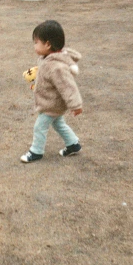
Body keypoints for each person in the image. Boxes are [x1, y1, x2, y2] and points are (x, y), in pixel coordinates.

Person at [20, 20, 83, 163]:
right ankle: (73, 144)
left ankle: (36, 151)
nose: (34, 46)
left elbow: (68, 86)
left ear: (47, 44)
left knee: (39, 126)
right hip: (50, 102)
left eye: (36, 42)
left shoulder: (57, 67)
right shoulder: (46, 59)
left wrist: (76, 105)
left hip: (52, 104)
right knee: (58, 124)